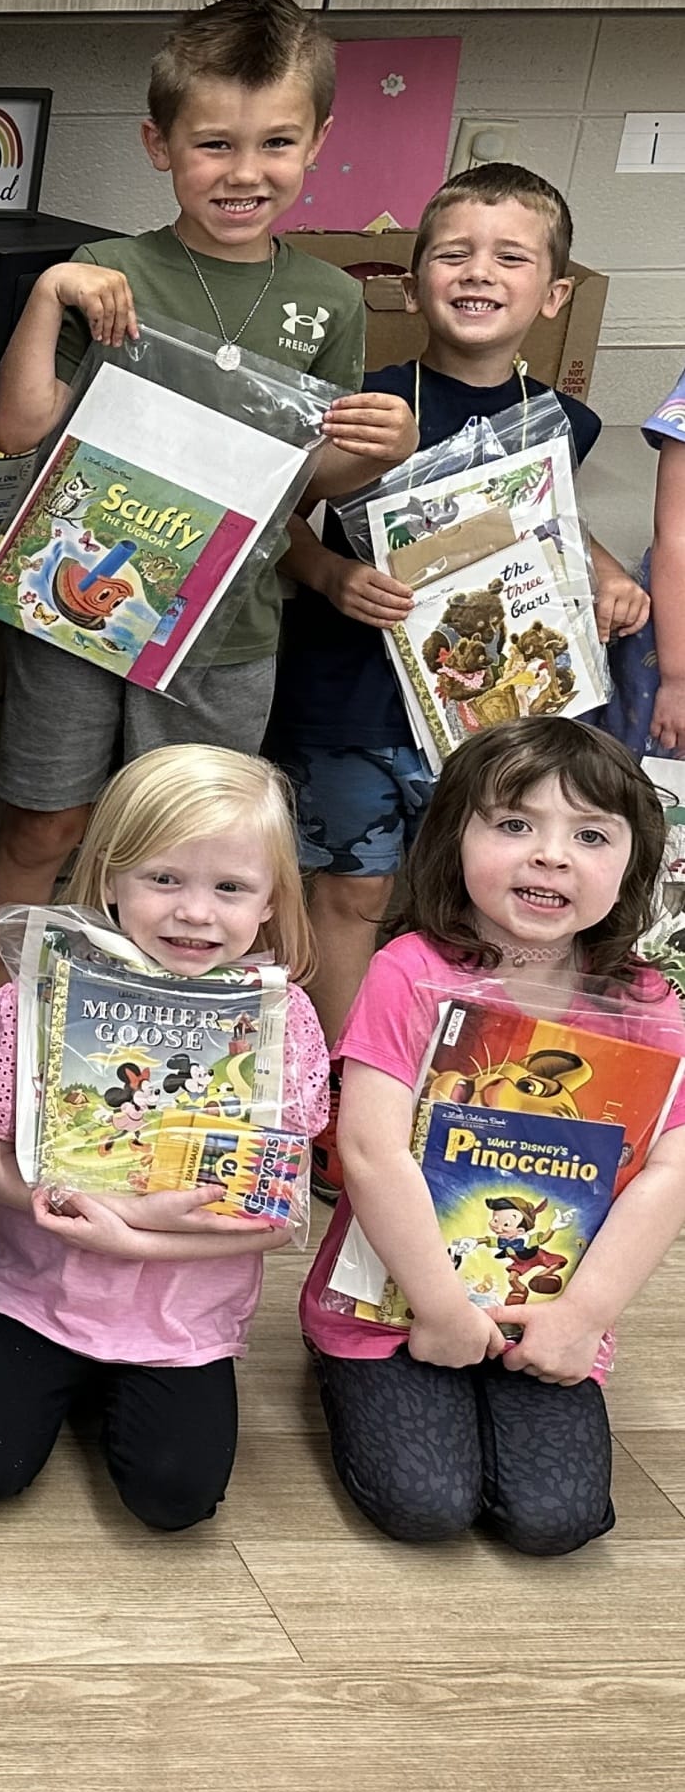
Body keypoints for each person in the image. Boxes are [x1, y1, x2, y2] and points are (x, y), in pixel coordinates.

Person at [0, 0, 413, 1028]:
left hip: (227, 628)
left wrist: (377, 453)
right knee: (45, 829)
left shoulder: (330, 300)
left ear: (317, 144)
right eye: (214, 144)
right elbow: (22, 428)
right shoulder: (108, 272)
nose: (244, 172)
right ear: (158, 145)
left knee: (189, 855)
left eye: (275, 144)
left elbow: (305, 480)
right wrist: (48, 293)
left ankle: (156, 1052)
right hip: (76, 613)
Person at [267, 163, 640, 1187]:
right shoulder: (364, 407)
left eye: (509, 257)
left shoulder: (563, 421)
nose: (479, 273)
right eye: (454, 253)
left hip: (486, 718)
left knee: (476, 902)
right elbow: (277, 526)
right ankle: (341, 1104)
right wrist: (333, 575)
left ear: (553, 294)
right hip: (349, 701)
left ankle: (450, 1096)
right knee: (351, 893)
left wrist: (607, 574)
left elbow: (543, 525)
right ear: (412, 277)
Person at [0, 745, 332, 1531]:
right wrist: (108, 1206)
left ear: (272, 900)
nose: (195, 912)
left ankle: (95, 1389)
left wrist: (133, 1237)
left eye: (230, 887)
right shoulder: (33, 1001)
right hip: (41, 1295)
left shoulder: (284, 1025)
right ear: (109, 878)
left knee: (175, 1499)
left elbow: (281, 1219)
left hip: (184, 1321)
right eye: (163, 878)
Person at [303, 719, 685, 1556]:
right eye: (514, 823)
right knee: (427, 1506)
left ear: (635, 866)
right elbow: (368, 1151)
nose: (550, 856)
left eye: (591, 836)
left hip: (549, 1312)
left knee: (557, 1519)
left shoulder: (648, 1003)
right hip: (393, 1303)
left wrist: (582, 1317)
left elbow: (671, 1171)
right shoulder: (411, 969)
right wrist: (441, 1309)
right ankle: (330, 1359)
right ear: (453, 838)